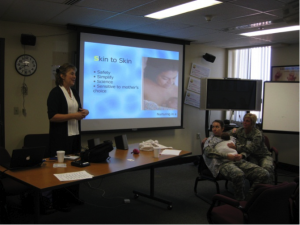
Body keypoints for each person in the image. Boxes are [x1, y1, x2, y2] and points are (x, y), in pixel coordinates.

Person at [47, 63, 89, 211]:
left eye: (75, 74)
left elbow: (78, 111)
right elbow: (52, 116)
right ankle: (59, 202)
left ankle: (73, 196)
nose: (74, 76)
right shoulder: (55, 93)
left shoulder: (74, 92)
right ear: (62, 76)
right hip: (60, 137)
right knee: (61, 169)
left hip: (75, 135)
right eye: (71, 73)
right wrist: (74, 115)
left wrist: (84, 112)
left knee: (75, 167)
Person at [203, 120, 269, 201]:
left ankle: (250, 198)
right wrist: (227, 156)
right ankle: (240, 201)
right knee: (239, 175)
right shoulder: (210, 140)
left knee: (264, 173)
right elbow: (208, 152)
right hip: (223, 163)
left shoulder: (232, 138)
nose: (214, 129)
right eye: (213, 127)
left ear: (222, 128)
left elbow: (243, 148)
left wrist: (242, 155)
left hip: (238, 161)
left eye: (217, 127)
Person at [228, 113, 274, 184]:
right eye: (244, 120)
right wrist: (211, 138)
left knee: (267, 168)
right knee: (255, 171)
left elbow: (250, 148)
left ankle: (267, 189)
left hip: (263, 156)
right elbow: (226, 134)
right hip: (251, 156)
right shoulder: (239, 131)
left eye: (247, 121)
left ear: (252, 123)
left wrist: (236, 147)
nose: (244, 122)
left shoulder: (257, 134)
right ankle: (255, 189)